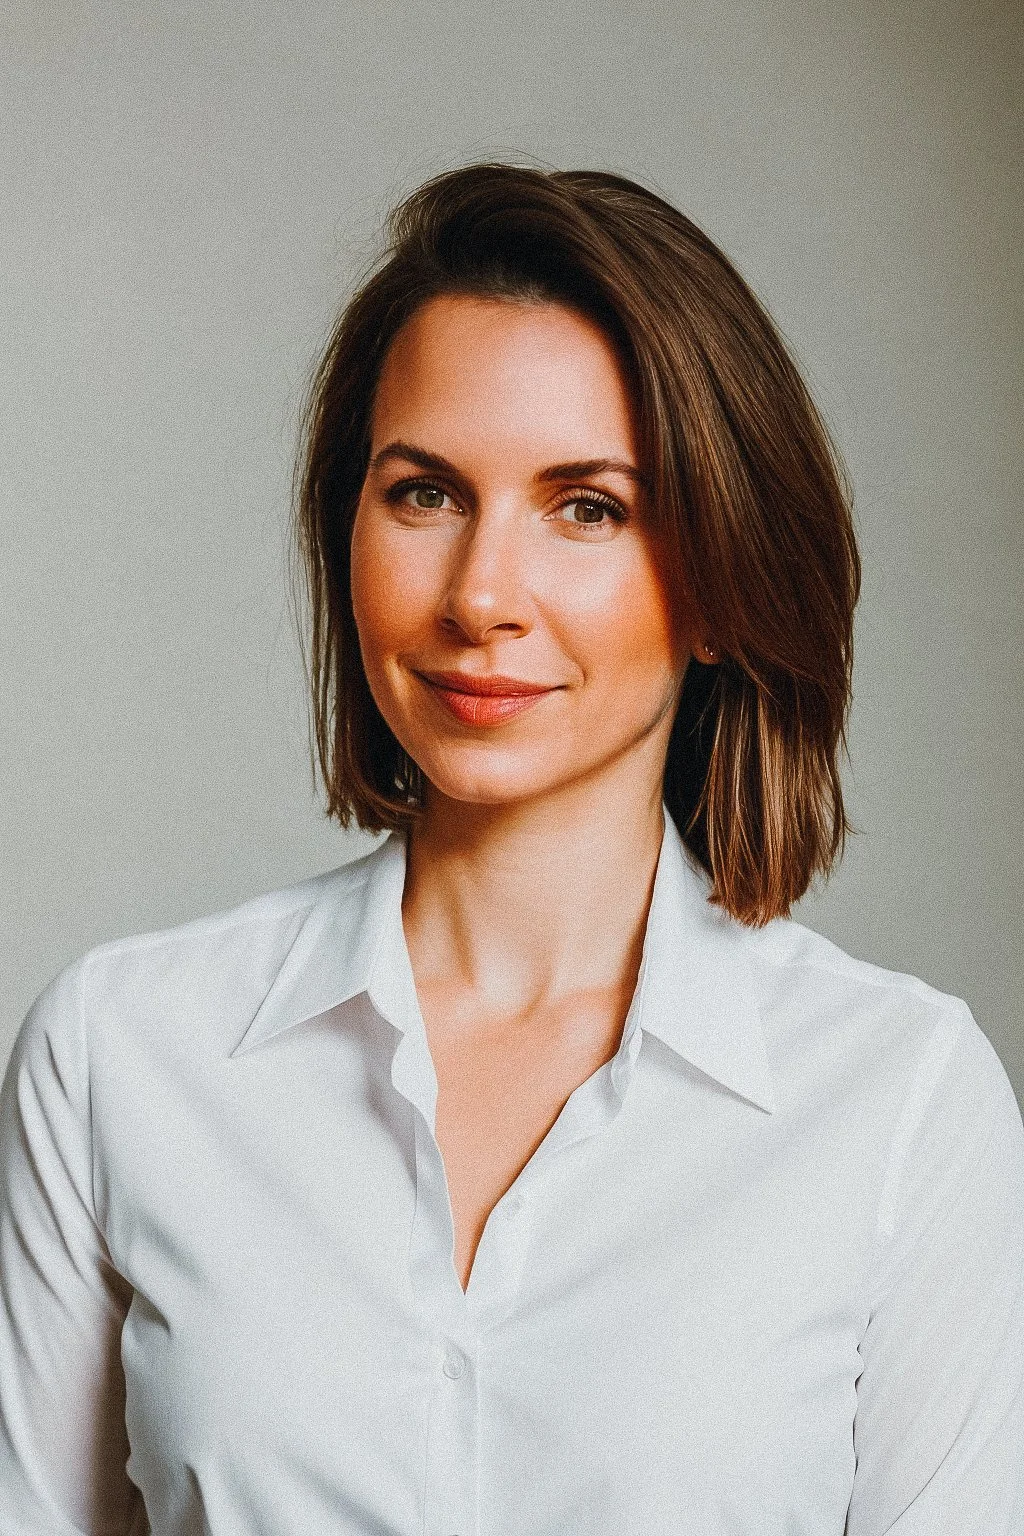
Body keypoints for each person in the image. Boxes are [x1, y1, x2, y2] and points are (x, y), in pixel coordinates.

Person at [1, 162, 1021, 1536]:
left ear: (722, 581)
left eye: (587, 506)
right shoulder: (121, 1056)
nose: (481, 595)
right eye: (423, 494)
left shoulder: (899, 1105)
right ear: (344, 532)